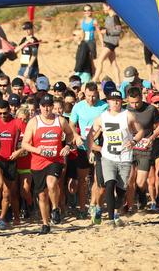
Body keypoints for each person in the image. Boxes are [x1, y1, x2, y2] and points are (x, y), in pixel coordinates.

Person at [87, 90, 144, 226]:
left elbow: (141, 131)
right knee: (109, 184)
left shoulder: (128, 115)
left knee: (121, 191)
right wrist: (92, 147)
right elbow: (91, 134)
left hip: (124, 157)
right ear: (108, 101)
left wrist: (134, 141)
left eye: (118, 100)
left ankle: (117, 209)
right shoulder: (102, 117)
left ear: (121, 101)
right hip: (108, 157)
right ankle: (111, 219)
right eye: (113, 100)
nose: (116, 102)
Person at [21, 94, 76, 234]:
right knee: (42, 195)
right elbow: (24, 144)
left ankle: (55, 208)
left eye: (49, 106)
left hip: (55, 160)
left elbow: (70, 134)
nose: (46, 109)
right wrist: (37, 149)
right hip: (38, 162)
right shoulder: (34, 122)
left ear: (52, 106)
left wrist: (67, 146)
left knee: (51, 184)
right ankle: (45, 224)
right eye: (44, 106)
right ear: (40, 107)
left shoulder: (60, 121)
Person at [69, 82, 107, 222]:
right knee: (83, 180)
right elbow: (72, 124)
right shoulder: (78, 107)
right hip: (82, 148)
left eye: (94, 96)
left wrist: (92, 140)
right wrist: (76, 135)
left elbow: (103, 127)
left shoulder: (104, 107)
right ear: (84, 93)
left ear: (97, 93)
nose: (91, 99)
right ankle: (82, 208)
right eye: (89, 96)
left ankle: (93, 204)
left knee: (98, 179)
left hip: (98, 147)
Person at [0, 100, 22, 228]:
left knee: (7, 192)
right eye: (0, 113)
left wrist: (19, 151)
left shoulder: (17, 122)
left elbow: (28, 138)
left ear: (9, 110)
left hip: (10, 160)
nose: (3, 115)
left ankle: (2, 218)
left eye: (5, 113)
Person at [93, 4, 122, 82]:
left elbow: (118, 30)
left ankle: (94, 79)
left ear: (108, 6)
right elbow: (107, 29)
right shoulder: (108, 17)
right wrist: (98, 27)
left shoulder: (115, 17)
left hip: (111, 43)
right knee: (113, 63)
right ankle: (118, 82)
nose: (103, 9)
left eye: (104, 7)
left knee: (100, 60)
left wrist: (107, 31)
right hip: (107, 42)